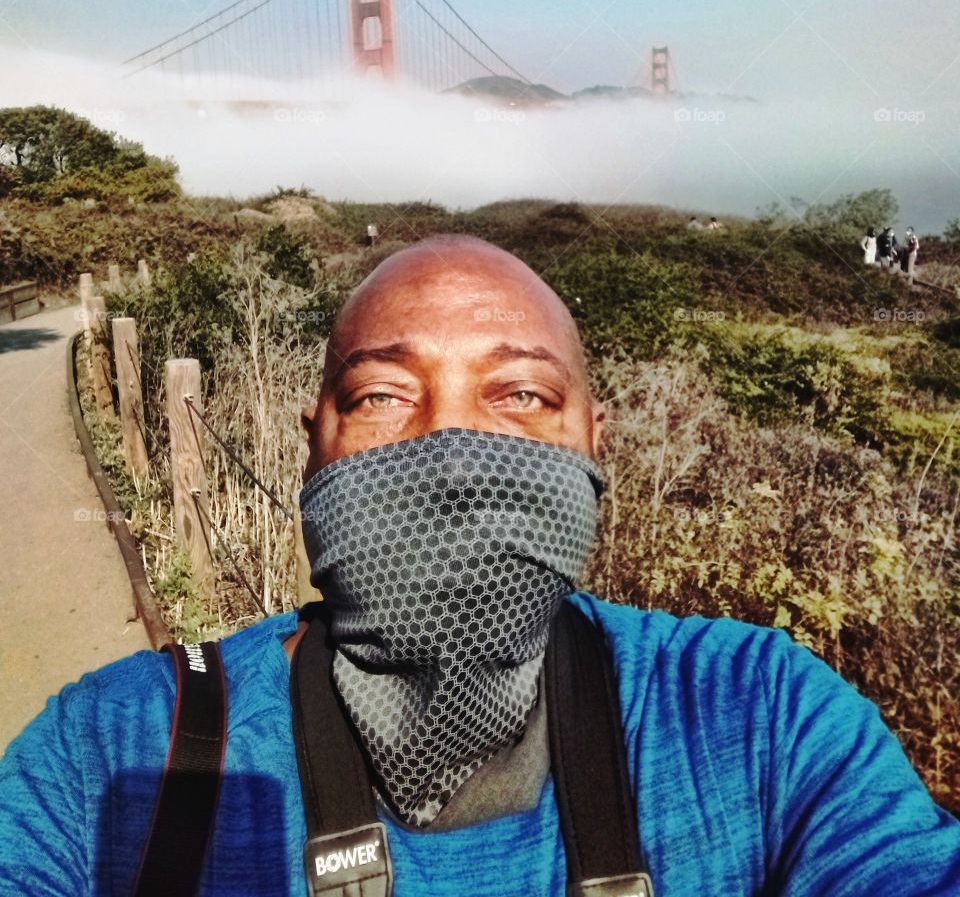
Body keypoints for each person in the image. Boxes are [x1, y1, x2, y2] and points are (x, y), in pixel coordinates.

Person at [2, 235, 959, 897]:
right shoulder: (116, 750)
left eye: (521, 395)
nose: (452, 446)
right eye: (381, 395)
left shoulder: (763, 716)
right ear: (314, 446)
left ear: (594, 446)